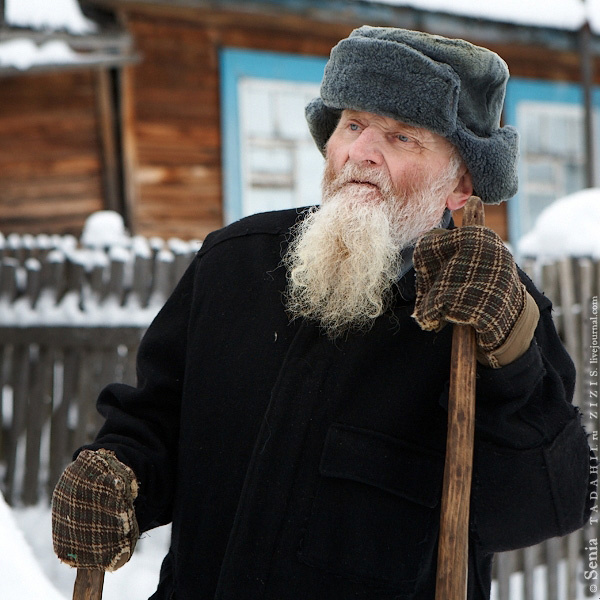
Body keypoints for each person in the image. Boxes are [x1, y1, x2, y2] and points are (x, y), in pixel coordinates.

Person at [51, 26, 592, 600]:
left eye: (402, 136)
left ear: (460, 184)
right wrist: (120, 473)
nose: (361, 152)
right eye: (353, 125)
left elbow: (545, 505)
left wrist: (512, 357)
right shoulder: (234, 264)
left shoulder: (492, 315)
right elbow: (156, 422)